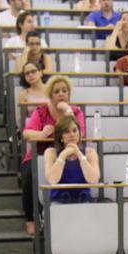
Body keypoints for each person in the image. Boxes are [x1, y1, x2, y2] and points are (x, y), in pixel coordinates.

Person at [21, 75, 85, 236]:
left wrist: (68, 114)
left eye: (64, 91)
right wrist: (41, 133)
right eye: (57, 91)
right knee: (29, 174)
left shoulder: (75, 111)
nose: (61, 94)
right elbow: (27, 133)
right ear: (51, 95)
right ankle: (31, 218)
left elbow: (81, 134)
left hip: (66, 153)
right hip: (40, 153)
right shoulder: (41, 111)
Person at [43, 114, 102, 254]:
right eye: (67, 132)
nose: (72, 135)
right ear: (60, 136)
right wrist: (63, 156)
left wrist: (79, 155)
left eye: (75, 130)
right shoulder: (51, 152)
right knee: (61, 234)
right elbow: (53, 179)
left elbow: (93, 179)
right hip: (60, 201)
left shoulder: (90, 152)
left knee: (86, 234)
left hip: (83, 200)